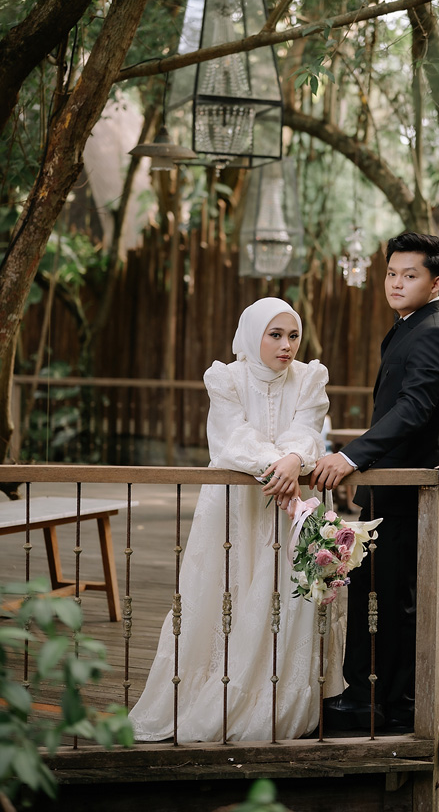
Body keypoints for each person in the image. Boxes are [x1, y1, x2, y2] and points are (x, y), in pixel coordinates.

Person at [310, 231, 439, 733]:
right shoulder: (414, 325)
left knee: (390, 601)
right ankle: (375, 697)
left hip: (407, 489)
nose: (395, 283)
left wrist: (349, 455)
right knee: (377, 594)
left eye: (409, 275)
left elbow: (416, 408)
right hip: (394, 488)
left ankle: (384, 705)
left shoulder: (433, 331)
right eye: (392, 273)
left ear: (435, 282)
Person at [130, 297, 344, 743]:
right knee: (227, 588)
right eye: (275, 335)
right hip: (236, 508)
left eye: (293, 336)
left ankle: (276, 697)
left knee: (287, 594)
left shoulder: (309, 379)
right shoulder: (226, 378)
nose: (286, 346)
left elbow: (308, 430)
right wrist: (280, 468)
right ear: (252, 335)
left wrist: (293, 459)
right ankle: (216, 691)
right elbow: (232, 436)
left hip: (293, 509)